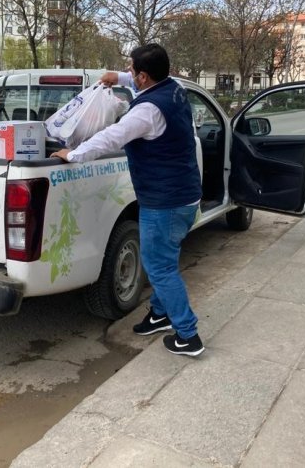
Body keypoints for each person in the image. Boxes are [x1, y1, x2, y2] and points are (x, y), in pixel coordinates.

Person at [51, 43, 204, 357]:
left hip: (165, 203)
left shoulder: (147, 111)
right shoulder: (173, 89)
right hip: (184, 196)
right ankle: (160, 315)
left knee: (159, 267)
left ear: (145, 76)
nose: (130, 74)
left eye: (132, 71)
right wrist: (118, 78)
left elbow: (112, 137)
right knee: (165, 259)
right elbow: (138, 84)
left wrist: (74, 153)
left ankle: (188, 335)